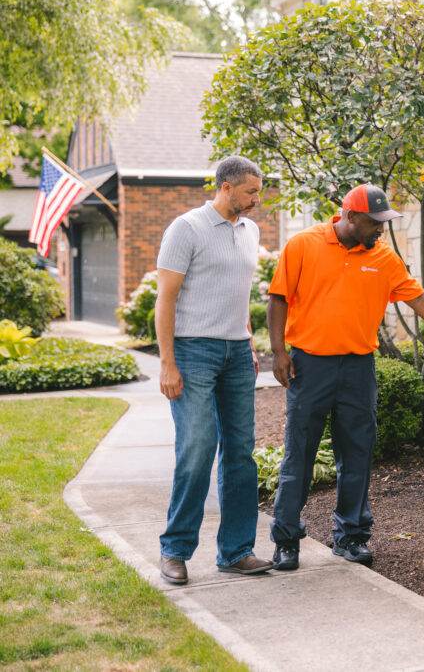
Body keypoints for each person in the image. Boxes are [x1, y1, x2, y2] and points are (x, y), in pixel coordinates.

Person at [267, 183, 424, 570]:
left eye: (384, 224)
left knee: (357, 454)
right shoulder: (303, 245)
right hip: (311, 365)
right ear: (350, 217)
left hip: (358, 368)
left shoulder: (384, 257)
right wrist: (278, 352)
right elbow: (278, 297)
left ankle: (351, 536)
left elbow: (418, 298)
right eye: (375, 223)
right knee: (299, 454)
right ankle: (287, 539)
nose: (381, 231)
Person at [155, 156, 274, 584]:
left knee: (240, 454)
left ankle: (237, 551)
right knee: (198, 448)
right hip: (192, 352)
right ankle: (175, 549)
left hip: (237, 353)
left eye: (258, 191)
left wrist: (246, 339)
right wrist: (167, 362)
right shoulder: (186, 229)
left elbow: (236, 293)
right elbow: (165, 299)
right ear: (225, 188)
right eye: (250, 192)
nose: (257, 199)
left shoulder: (250, 230)